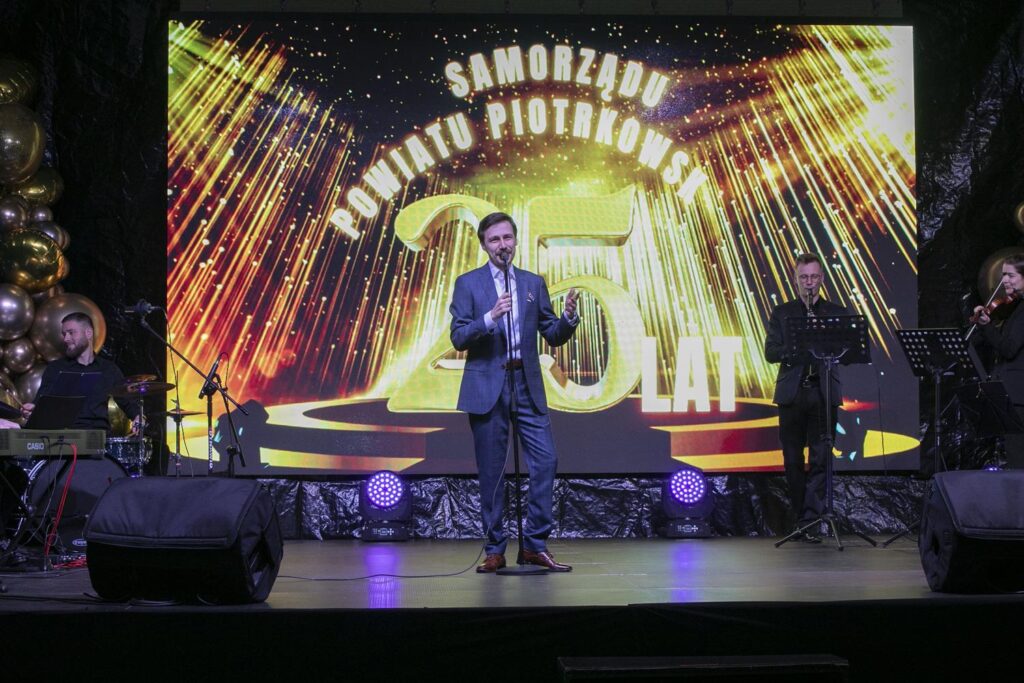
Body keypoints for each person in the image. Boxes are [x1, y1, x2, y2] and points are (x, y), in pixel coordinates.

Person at [450, 211, 580, 572]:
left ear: (515, 241)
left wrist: (568, 319)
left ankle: (534, 544)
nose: (502, 245)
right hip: (487, 386)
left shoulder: (532, 283)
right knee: (492, 470)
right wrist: (490, 317)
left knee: (546, 460)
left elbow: (551, 332)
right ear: (484, 245)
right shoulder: (468, 284)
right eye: (494, 239)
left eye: (507, 237)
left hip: (526, 383)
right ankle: (495, 549)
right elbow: (458, 336)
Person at [764, 253, 848, 543]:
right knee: (792, 459)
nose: (809, 283)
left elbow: (849, 351)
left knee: (821, 458)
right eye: (803, 277)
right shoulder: (783, 313)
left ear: (821, 279)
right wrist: (797, 344)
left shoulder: (836, 313)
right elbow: (770, 352)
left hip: (823, 394)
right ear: (795, 280)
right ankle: (800, 517)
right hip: (793, 393)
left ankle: (811, 520)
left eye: (813, 277)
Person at [19, 311, 142, 434]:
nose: (66, 339)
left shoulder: (109, 369)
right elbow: (41, 402)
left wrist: (138, 417)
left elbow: (128, 402)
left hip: (98, 437)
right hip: (64, 437)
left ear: (88, 333)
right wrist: (32, 409)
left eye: (71, 333)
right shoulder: (55, 368)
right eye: (64, 334)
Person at [972, 253, 1024, 468]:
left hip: (1019, 395)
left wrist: (987, 326)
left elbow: (1009, 349)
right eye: (1003, 275)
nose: (1004, 281)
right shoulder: (1017, 307)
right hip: (1014, 393)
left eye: (1010, 275)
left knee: (1017, 458)